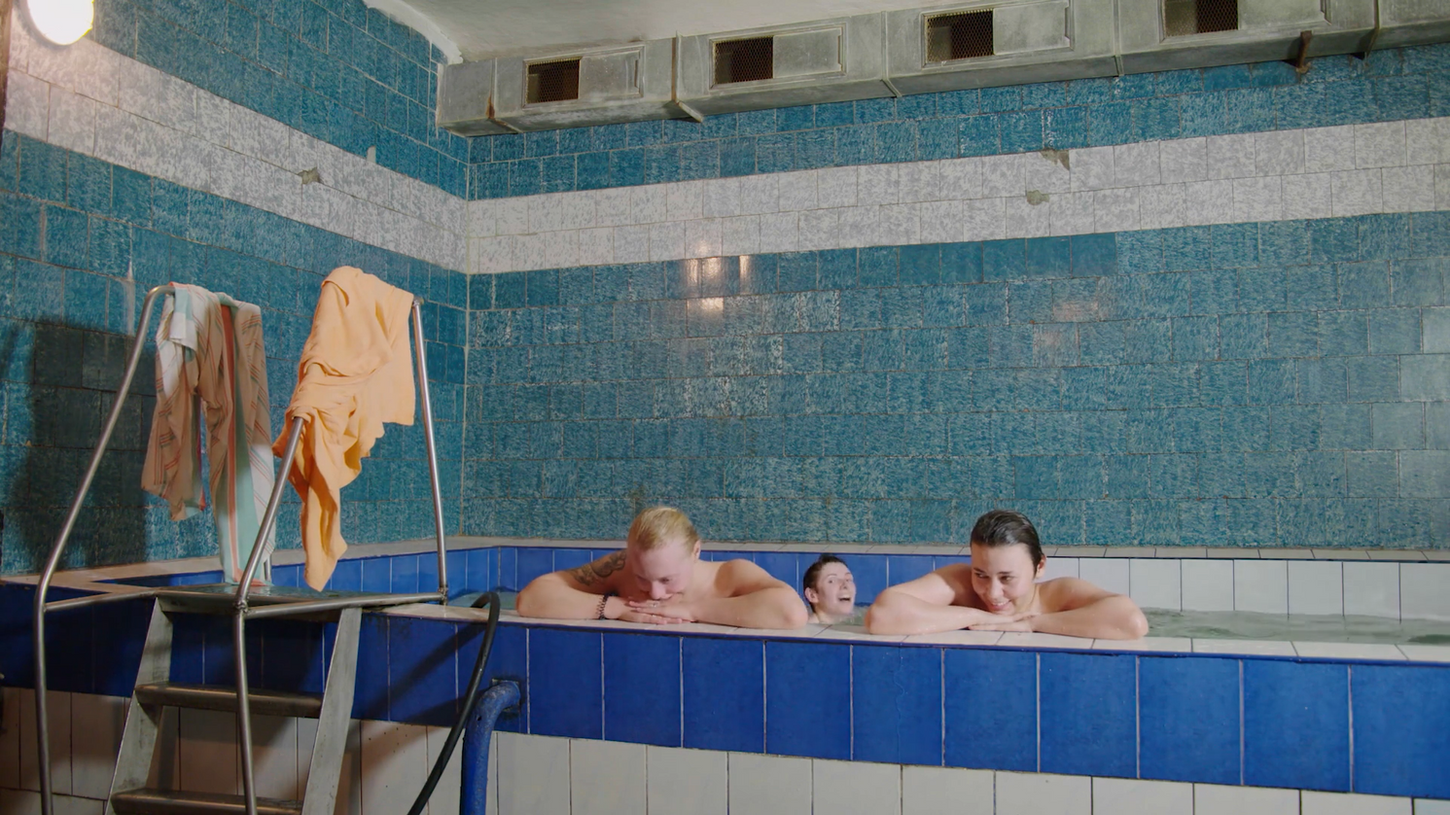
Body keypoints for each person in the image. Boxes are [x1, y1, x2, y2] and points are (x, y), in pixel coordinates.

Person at [864, 509, 1148, 639]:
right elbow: (881, 615)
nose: (992, 592)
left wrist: (1032, 624)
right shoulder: (960, 584)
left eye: (1007, 578)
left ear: (1040, 567)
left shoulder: (1058, 594)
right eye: (981, 575)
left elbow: (1131, 621)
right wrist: (977, 616)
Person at [516, 506, 809, 629]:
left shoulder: (728, 576)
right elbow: (531, 599)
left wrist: (693, 611)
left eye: (668, 579)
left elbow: (791, 612)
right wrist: (614, 608)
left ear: (696, 552)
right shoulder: (620, 568)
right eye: (642, 577)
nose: (654, 591)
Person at [801, 554, 857, 624]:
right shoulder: (807, 629)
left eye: (848, 579)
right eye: (832, 581)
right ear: (812, 595)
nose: (845, 585)